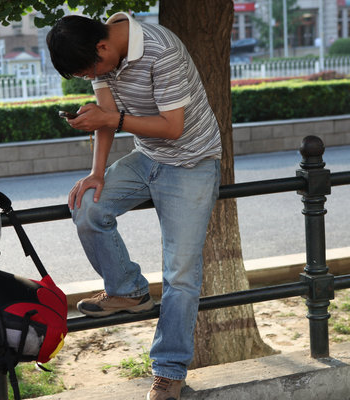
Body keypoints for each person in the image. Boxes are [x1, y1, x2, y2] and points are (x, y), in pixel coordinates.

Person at [47, 12, 221, 400]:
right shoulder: (99, 56)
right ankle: (127, 289)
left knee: (181, 273)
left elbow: (172, 127)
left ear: (103, 47)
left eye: (93, 70)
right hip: (147, 157)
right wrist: (97, 174)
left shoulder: (162, 50)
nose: (95, 77)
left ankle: (169, 372)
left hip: (192, 161)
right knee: (87, 206)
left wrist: (112, 116)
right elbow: (107, 121)